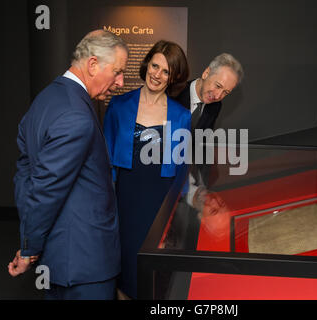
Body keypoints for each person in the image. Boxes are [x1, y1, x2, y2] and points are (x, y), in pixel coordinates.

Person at [7, 30, 128, 300]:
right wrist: (29, 249)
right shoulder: (77, 115)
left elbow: (26, 176)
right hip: (85, 263)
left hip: (57, 256)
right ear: (93, 65)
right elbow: (47, 190)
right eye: (118, 71)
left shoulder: (46, 99)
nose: (120, 82)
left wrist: (30, 241)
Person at [103, 40, 190, 299]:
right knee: (126, 273)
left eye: (166, 71)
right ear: (146, 64)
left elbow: (181, 173)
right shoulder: (118, 106)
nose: (157, 74)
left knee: (154, 280)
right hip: (126, 203)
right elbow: (104, 163)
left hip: (159, 205)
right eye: (155, 66)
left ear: (172, 78)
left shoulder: (181, 115)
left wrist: (174, 223)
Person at [175, 53, 244, 214]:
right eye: (218, 86)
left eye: (226, 92)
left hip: (185, 183)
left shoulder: (215, 106)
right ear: (206, 73)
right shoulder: (174, 94)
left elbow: (201, 144)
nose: (218, 96)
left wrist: (203, 187)